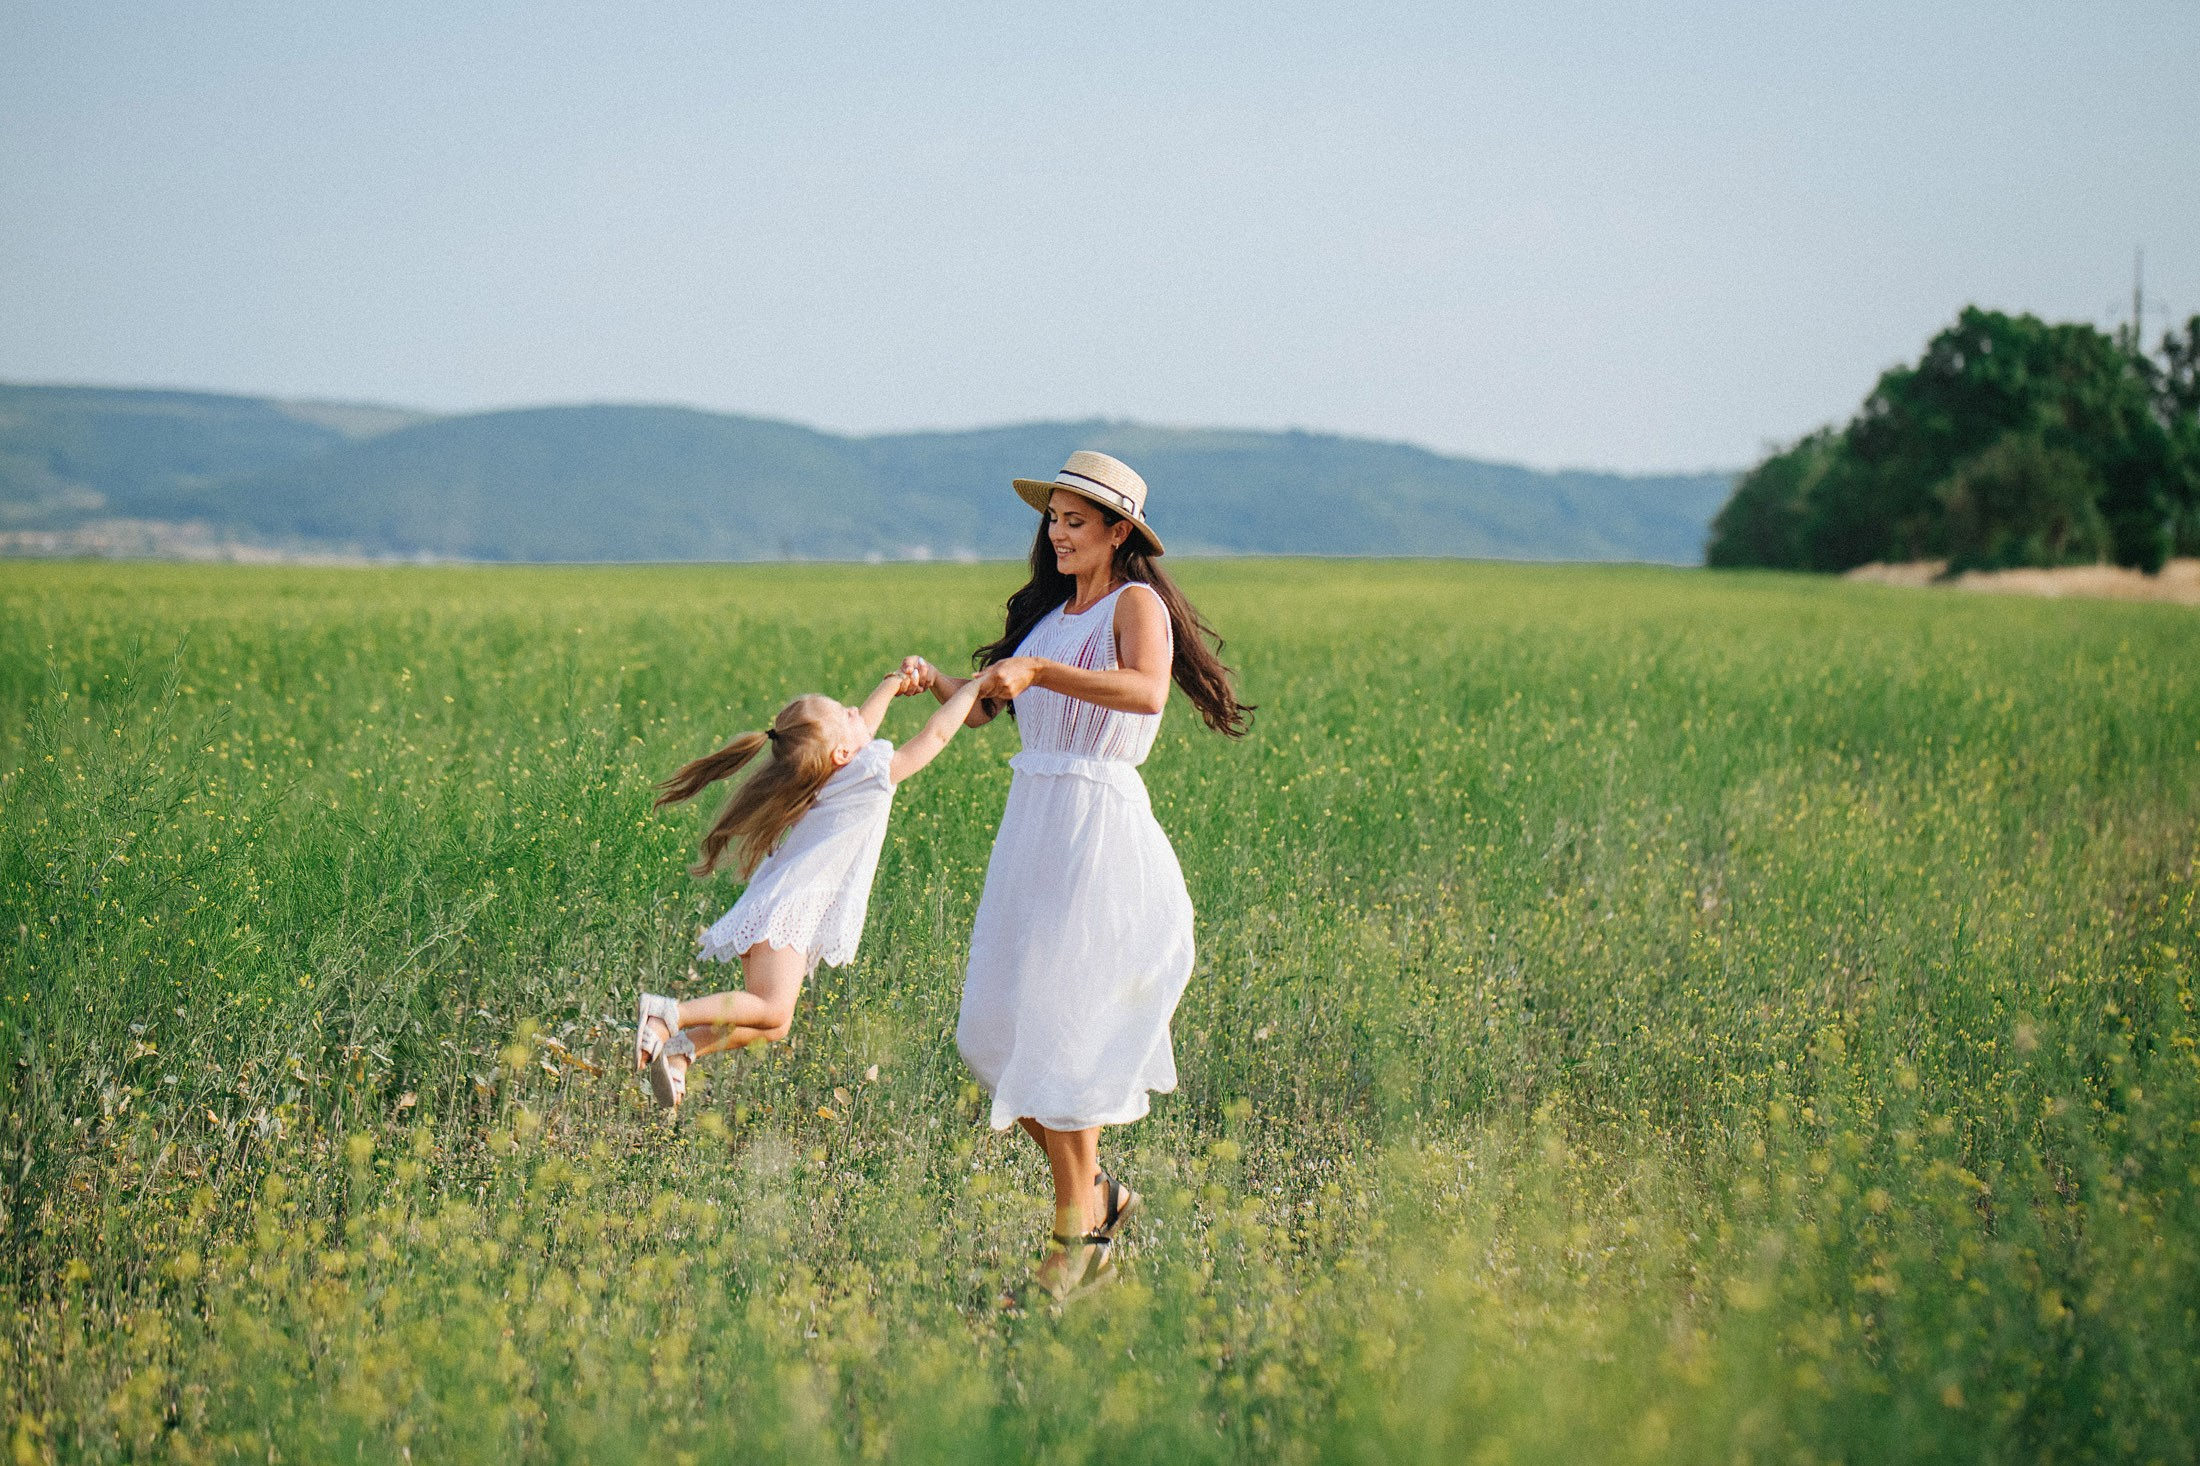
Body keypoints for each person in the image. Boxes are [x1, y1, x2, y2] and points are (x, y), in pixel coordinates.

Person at [907, 450, 1251, 1300]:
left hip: (1098, 831)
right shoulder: (1053, 615)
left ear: (1118, 531)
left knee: (1062, 1032)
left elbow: (1144, 692)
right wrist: (947, 684)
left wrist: (1038, 670)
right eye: (1052, 520)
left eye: (1074, 521)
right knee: (992, 1031)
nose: (1057, 535)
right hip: (1035, 825)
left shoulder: (1136, 604)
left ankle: (1078, 1244)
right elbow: (999, 704)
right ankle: (1097, 1196)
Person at [636, 667, 987, 1109]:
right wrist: (972, 689)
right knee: (769, 1010)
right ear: (842, 751)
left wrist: (894, 684)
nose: (857, 709)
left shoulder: (830, 770)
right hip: (786, 912)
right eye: (845, 711)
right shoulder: (866, 774)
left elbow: (860, 729)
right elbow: (933, 737)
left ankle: (682, 1051)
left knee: (775, 1023)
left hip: (777, 907)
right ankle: (668, 1015)